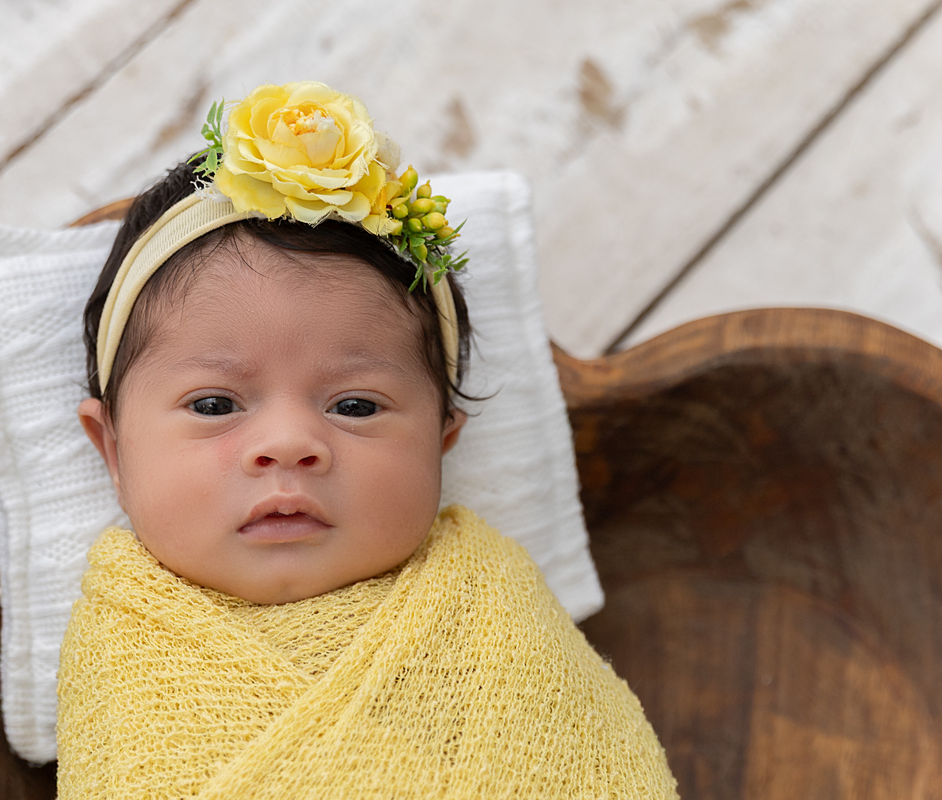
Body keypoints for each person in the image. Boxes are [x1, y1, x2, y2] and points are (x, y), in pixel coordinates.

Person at [58, 80, 678, 799]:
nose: (289, 444)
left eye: (355, 404)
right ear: (112, 449)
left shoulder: (491, 615)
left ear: (443, 441)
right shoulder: (123, 646)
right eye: (215, 402)